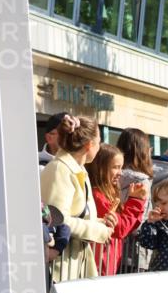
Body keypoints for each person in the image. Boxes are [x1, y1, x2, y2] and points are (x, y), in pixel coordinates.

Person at [40, 114, 113, 281]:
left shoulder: (77, 169)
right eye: (99, 142)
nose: (100, 147)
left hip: (72, 263)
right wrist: (98, 230)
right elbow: (55, 219)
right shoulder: (60, 169)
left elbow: (73, 214)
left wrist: (100, 222)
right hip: (58, 266)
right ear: (89, 145)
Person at [88, 144, 146, 276]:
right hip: (100, 262)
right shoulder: (97, 195)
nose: (120, 173)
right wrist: (135, 201)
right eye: (115, 167)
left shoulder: (107, 192)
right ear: (100, 168)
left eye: (121, 167)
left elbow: (126, 227)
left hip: (108, 261)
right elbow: (120, 228)